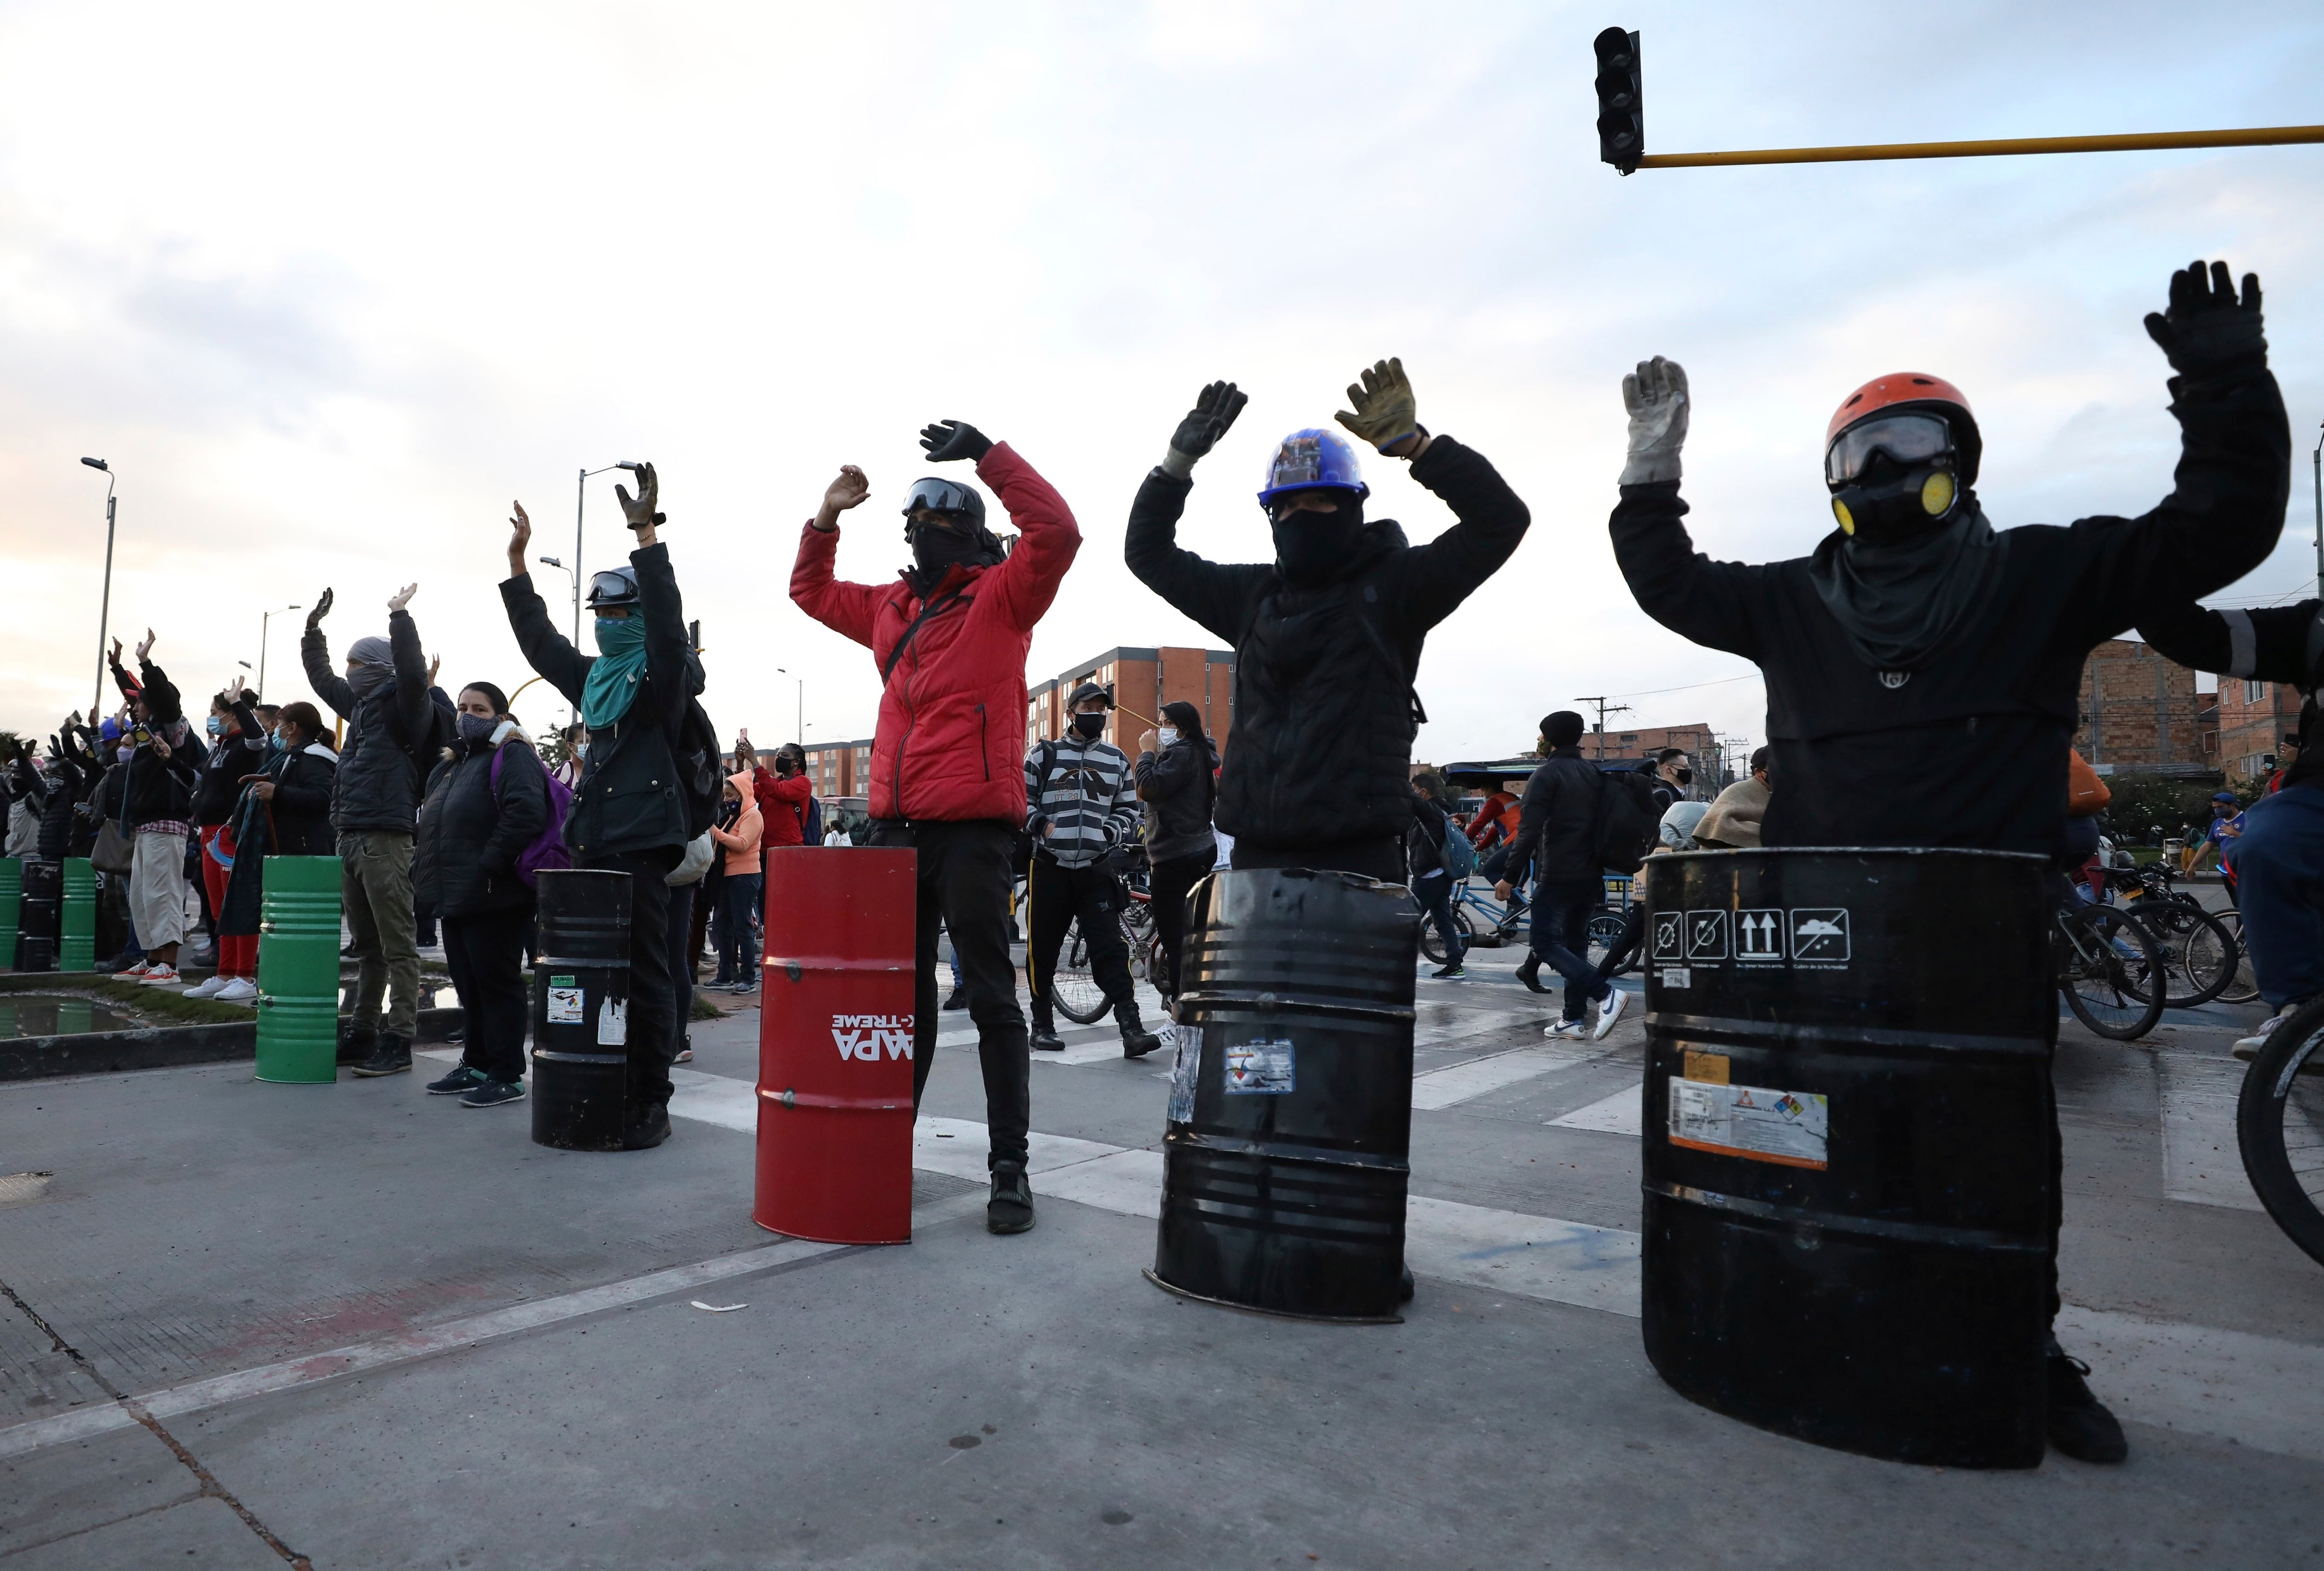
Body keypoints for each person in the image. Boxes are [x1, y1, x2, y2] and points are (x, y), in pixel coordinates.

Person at [1608, 260, 2289, 1466]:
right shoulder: (1789, 604)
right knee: (1827, 1145)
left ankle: (2022, 1341)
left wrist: (2223, 381)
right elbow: (1668, 582)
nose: (1876, 472)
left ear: (1958, 460)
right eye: (1854, 455)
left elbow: (2223, 523)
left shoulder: (2045, 572)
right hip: (1823, 957)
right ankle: (1817, 1319)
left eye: (1905, 443)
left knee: (1999, 1161)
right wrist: (1650, 465)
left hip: (1979, 948)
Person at [790, 417, 1079, 1235]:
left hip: (972, 834)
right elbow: (810, 592)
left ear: (973, 534)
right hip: (893, 837)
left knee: (991, 999)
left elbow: (1057, 531)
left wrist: (988, 454)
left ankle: (1010, 1168)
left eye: (939, 524)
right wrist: (825, 519)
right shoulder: (891, 606)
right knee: (897, 1005)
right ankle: (884, 1149)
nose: (922, 536)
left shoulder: (1004, 595)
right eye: (914, 526)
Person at [1126, 363, 1530, 882]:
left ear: (1352, 505)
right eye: (1288, 505)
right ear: (1271, 515)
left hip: (1358, 856)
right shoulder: (1251, 597)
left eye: (1320, 500)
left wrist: (1419, 448)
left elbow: (1500, 521)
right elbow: (1147, 553)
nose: (1304, 514)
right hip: (1255, 854)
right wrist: (1175, 466)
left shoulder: (1395, 588)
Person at [502, 465, 702, 1152]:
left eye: (621, 613)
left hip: (642, 842)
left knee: (646, 973)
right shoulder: (595, 681)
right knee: (590, 974)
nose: (609, 624)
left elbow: (670, 627)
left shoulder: (661, 679)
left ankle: (652, 1097)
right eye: (601, 615)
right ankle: (607, 1077)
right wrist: (518, 568)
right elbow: (542, 645)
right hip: (592, 842)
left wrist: (646, 536)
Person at [301, 584, 442, 1074]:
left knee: (398, 945)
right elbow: (321, 680)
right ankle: (363, 1032)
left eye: (357, 664)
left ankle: (399, 1038)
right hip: (351, 834)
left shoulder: (408, 708)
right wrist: (312, 631)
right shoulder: (359, 708)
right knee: (368, 947)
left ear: (378, 668)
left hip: (386, 837)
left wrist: (399, 618)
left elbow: (410, 671)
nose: (349, 672)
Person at [410, 683, 549, 1109]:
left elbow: (527, 812)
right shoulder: (454, 762)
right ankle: (476, 1064)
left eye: (480, 708)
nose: (468, 714)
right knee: (469, 985)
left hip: (496, 893)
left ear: (500, 715)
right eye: (463, 706)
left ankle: (507, 1074)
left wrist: (490, 863)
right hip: (455, 893)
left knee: (497, 984)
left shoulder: (513, 754)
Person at [1024, 684, 1158, 1056]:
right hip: (1049, 867)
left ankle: (1132, 1028)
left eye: (1101, 709)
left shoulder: (1116, 760)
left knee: (1111, 950)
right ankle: (1042, 1025)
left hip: (1097, 869)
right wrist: (1043, 827)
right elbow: (1020, 800)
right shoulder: (1043, 755)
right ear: (1071, 713)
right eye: (1087, 707)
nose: (1096, 714)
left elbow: (1129, 809)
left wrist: (1110, 832)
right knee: (1044, 950)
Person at [1494, 712, 1628, 1041]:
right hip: (1590, 874)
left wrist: (1509, 876)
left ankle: (1605, 994)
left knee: (1543, 942)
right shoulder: (1592, 772)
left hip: (1559, 872)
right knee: (1575, 944)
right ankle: (1573, 1019)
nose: (1538, 741)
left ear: (1550, 739)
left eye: (1540, 735)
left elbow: (1529, 830)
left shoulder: (1547, 774)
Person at [101, 632, 205, 987]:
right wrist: (118, 669)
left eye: (141, 705)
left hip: (167, 824)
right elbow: (137, 694)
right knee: (142, 897)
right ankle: (152, 960)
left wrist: (147, 663)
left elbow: (161, 697)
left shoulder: (174, 731)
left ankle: (170, 966)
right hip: (147, 825)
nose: (134, 708)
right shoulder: (149, 731)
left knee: (163, 893)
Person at [218, 702, 340, 997]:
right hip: (289, 854)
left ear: (293, 728)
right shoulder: (292, 757)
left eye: (281, 723)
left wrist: (278, 793)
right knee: (281, 928)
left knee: (300, 931)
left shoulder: (314, 759)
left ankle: (297, 990)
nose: (277, 730)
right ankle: (280, 987)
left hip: (305, 855)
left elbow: (325, 797)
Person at [184, 677, 270, 999]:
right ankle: (225, 972)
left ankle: (245, 977)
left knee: (240, 906)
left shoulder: (245, 745)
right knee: (219, 908)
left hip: (233, 834)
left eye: (214, 712)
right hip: (209, 834)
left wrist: (236, 703)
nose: (211, 717)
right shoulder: (218, 747)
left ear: (232, 714)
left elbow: (259, 739)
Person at [1135, 700, 1220, 1007]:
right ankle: (1187, 997)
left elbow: (1148, 788)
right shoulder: (1201, 754)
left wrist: (1145, 753)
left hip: (1174, 853)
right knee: (1192, 930)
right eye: (1161, 723)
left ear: (1182, 727)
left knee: (1175, 936)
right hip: (1201, 849)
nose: (1161, 730)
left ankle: (1181, 1009)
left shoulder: (1181, 753)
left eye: (1167, 724)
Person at [709, 770, 764, 992]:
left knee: (743, 927)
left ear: (742, 794)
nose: (726, 800)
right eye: (725, 796)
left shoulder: (752, 816)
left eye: (730, 796)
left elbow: (742, 844)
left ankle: (748, 977)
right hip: (728, 876)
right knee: (722, 925)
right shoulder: (732, 816)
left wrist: (715, 832)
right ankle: (725, 974)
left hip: (745, 876)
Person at [1407, 775, 1466, 979]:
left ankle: (1390, 963)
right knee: (1443, 921)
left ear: (1423, 793)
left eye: (1415, 789)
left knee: (1405, 918)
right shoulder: (1439, 812)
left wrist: (1395, 778)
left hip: (1429, 877)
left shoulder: (1431, 811)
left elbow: (1413, 801)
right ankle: (1455, 965)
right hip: (1440, 876)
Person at [1695, 747, 1771, 850]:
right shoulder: (1739, 791)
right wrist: (1772, 836)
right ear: (1759, 772)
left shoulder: (1777, 794)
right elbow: (1719, 825)